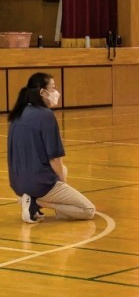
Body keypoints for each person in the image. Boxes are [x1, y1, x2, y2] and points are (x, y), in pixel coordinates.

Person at [7, 72, 96, 223]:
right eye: (53, 88)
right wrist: (62, 183)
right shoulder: (46, 116)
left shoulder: (18, 114)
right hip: (39, 183)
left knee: (64, 169)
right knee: (88, 210)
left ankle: (28, 198)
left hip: (17, 182)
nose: (56, 92)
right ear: (42, 92)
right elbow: (54, 158)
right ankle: (36, 202)